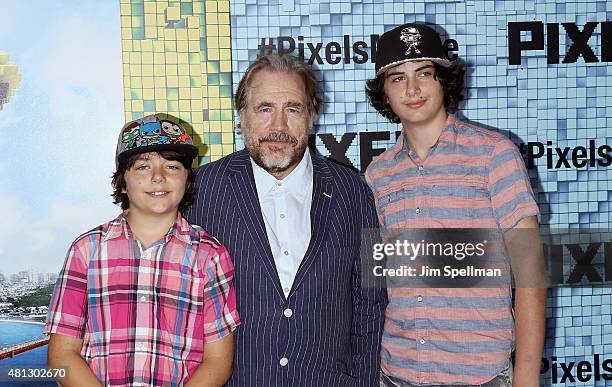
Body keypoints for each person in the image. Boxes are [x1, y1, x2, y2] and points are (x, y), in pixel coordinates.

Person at [186, 53, 387, 386]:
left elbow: (371, 305)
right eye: (264, 109)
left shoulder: (356, 192)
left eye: (292, 109)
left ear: (311, 117)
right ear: (242, 117)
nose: (277, 127)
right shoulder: (200, 191)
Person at [365, 24, 546, 386]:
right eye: (398, 78)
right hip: (396, 374)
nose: (412, 89)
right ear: (384, 92)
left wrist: (526, 376)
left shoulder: (495, 155)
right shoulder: (377, 174)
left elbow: (530, 272)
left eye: (424, 74)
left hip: (480, 376)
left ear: (444, 81)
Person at [44, 114, 240, 386]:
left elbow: (218, 362)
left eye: (172, 166)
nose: (158, 177)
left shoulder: (210, 256)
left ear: (187, 178)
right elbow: (61, 357)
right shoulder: (86, 251)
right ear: (122, 181)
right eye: (142, 167)